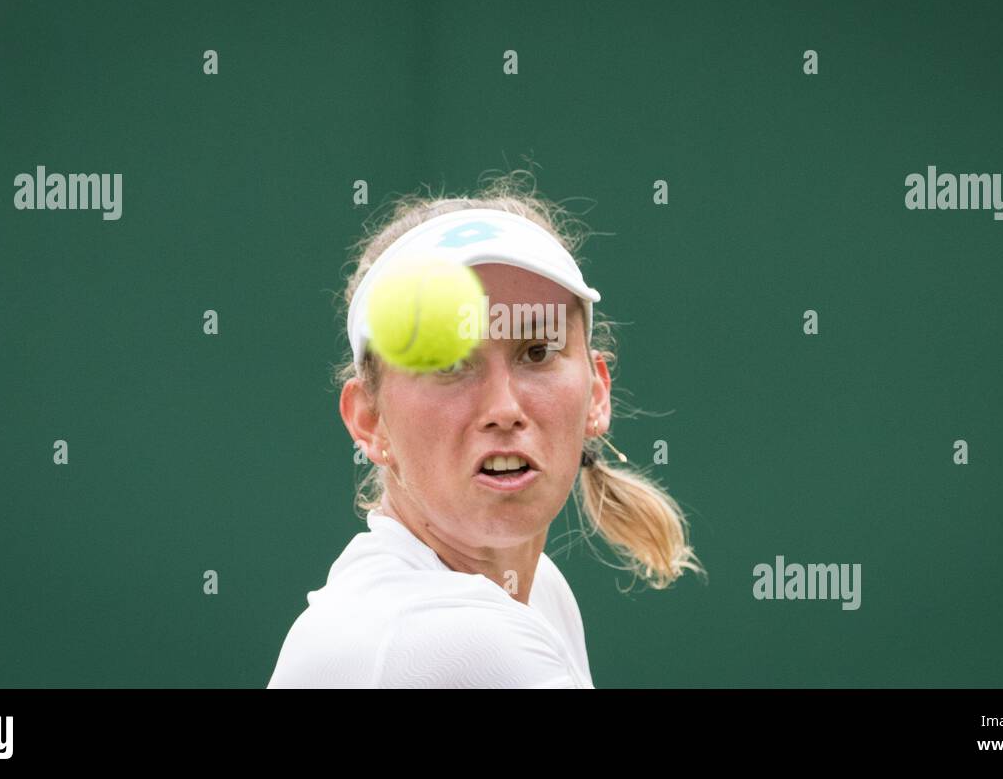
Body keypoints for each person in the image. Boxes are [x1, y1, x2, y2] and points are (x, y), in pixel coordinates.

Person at [268, 175, 705, 688]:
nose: (504, 408)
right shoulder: (451, 636)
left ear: (596, 393)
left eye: (537, 352)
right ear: (369, 419)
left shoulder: (537, 590)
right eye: (449, 364)